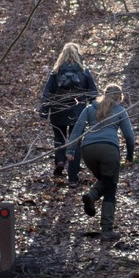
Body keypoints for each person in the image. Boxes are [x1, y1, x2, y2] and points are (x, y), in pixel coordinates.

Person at [70, 83, 138, 239]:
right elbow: (129, 136)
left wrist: (69, 150)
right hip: (108, 150)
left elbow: (77, 129)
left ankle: (92, 196)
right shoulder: (120, 110)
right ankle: (106, 229)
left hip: (88, 150)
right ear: (120, 97)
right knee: (110, 187)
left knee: (104, 180)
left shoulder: (89, 108)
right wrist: (129, 155)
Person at [38, 44, 98, 185]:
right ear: (78, 54)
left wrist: (44, 111)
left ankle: (60, 160)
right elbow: (93, 93)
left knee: (59, 137)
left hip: (58, 111)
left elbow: (47, 93)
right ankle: (72, 179)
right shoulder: (84, 71)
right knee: (75, 143)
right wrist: (93, 108)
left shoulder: (56, 71)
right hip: (78, 113)